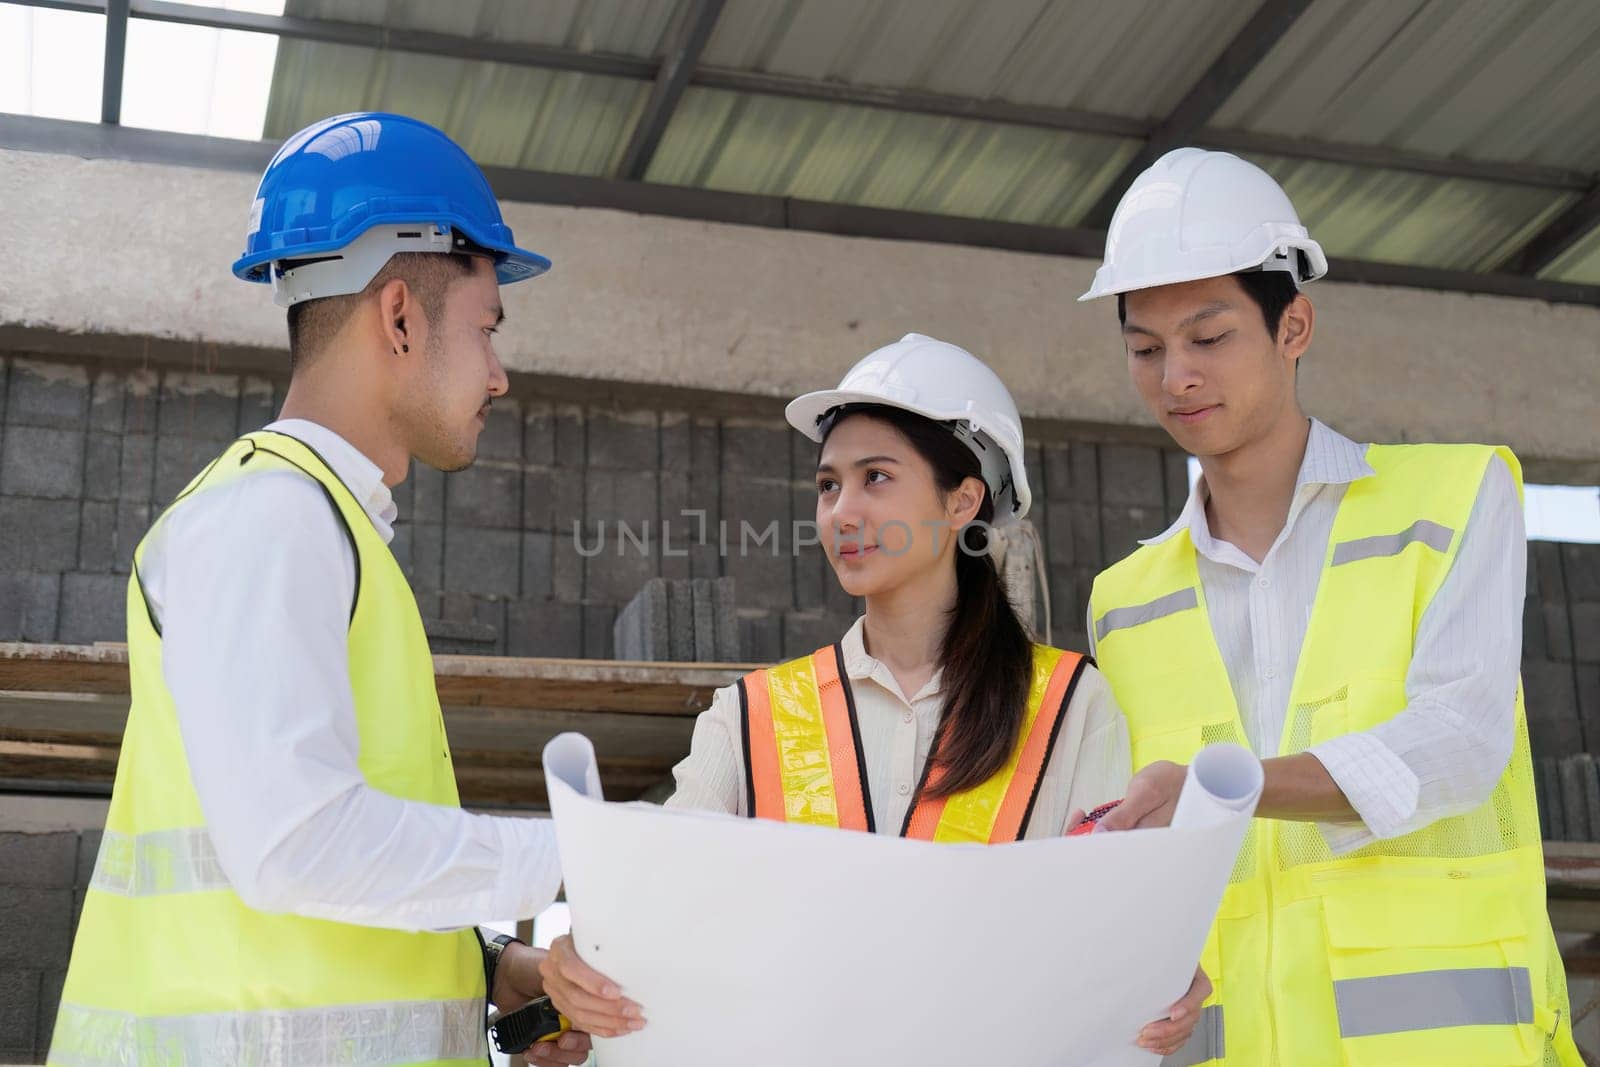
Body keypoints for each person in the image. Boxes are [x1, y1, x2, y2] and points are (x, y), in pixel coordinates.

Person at [48, 113, 591, 1066]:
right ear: (399, 316)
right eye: (487, 327)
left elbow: (321, 877)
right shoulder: (273, 517)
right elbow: (294, 844)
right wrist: (584, 854)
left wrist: (485, 963)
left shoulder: (319, 526)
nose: (500, 376)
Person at [538, 333, 1210, 1058]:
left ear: (963, 500)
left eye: (876, 478)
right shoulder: (751, 715)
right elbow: (658, 915)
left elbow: (1105, 935)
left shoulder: (1072, 704)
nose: (842, 513)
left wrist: (1154, 965)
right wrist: (582, 956)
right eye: (829, 485)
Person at [1080, 147, 1579, 1066]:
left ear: (1294, 325)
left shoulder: (1456, 498)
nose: (1175, 376)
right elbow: (1139, 841)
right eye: (1145, 348)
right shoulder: (1123, 601)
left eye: (1209, 336)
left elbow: (1461, 742)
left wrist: (1235, 789)